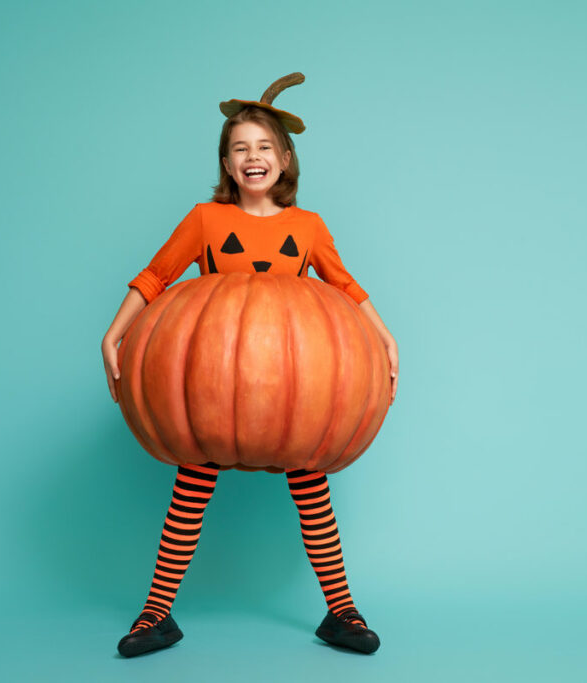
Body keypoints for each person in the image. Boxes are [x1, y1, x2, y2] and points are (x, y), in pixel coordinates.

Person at [100, 73, 398, 658]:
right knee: (191, 487)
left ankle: (341, 612)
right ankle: (155, 614)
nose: (252, 158)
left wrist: (386, 339)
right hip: (212, 392)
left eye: (263, 147)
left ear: (284, 160)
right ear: (227, 163)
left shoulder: (306, 227)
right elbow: (157, 276)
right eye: (240, 149)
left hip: (293, 397)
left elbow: (344, 287)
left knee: (313, 492)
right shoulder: (206, 220)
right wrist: (114, 332)